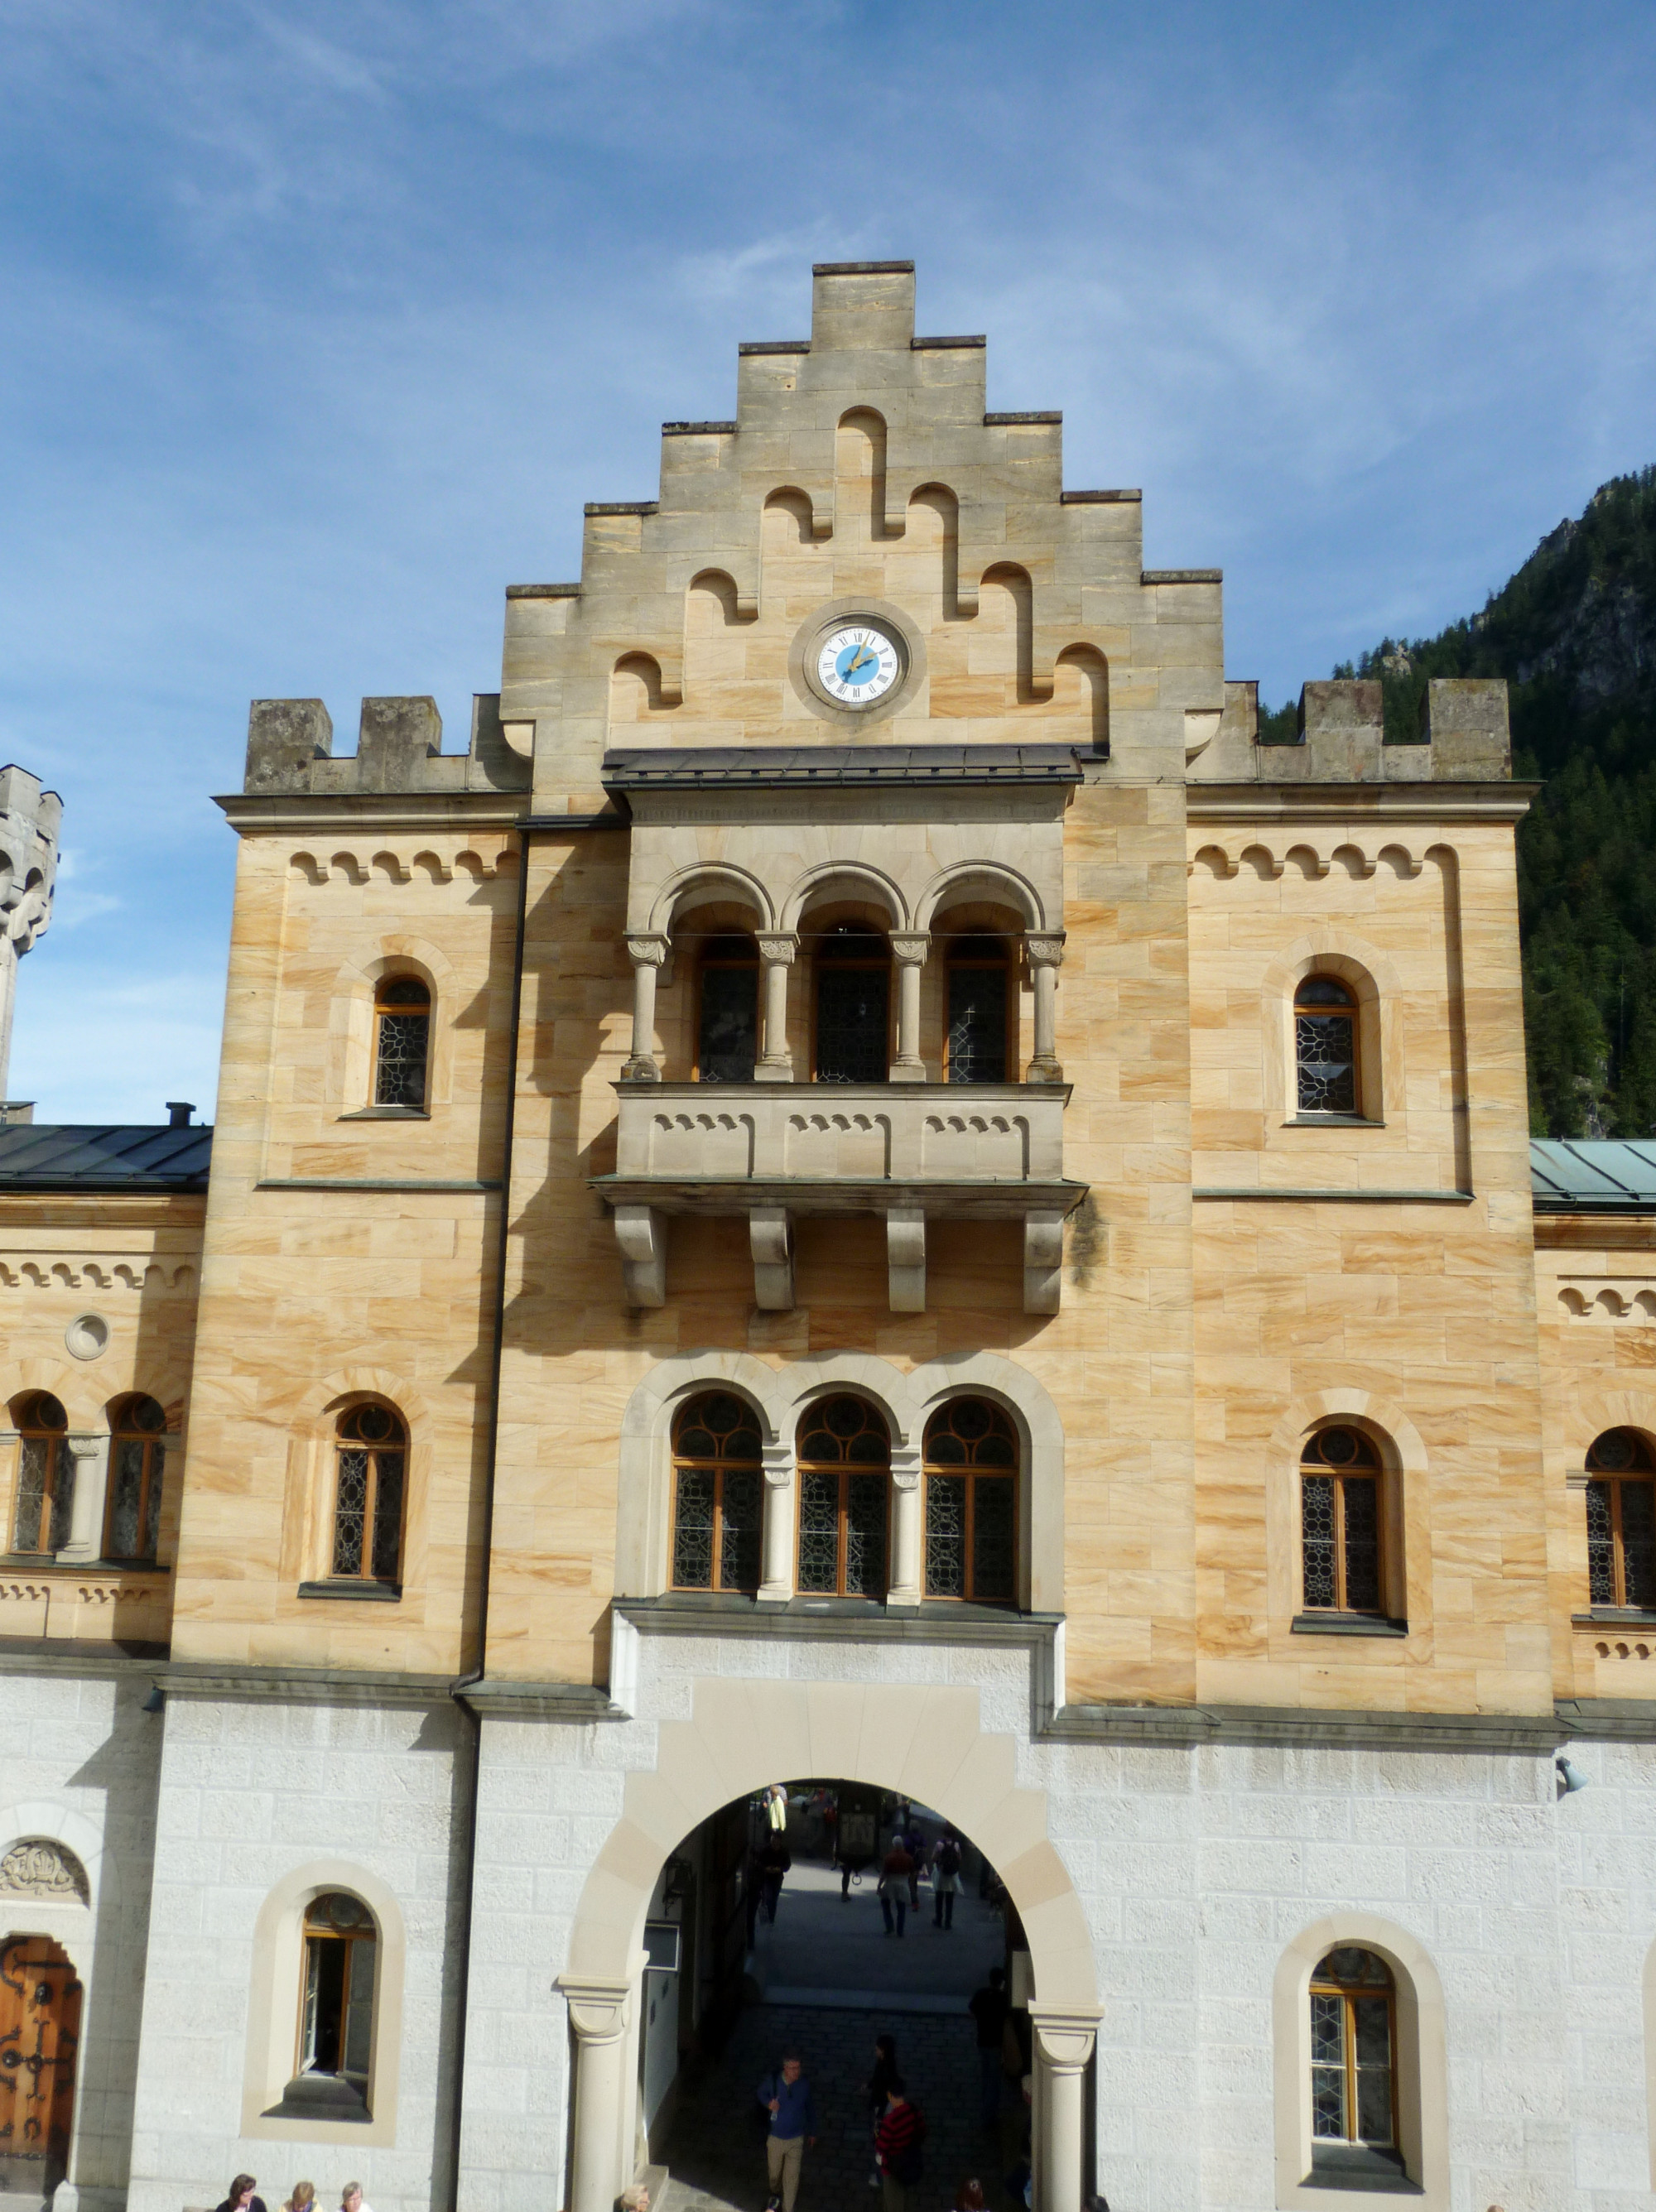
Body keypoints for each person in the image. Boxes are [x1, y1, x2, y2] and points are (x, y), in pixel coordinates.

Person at [756, 2048, 818, 2212]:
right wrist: (769, 2103)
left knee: (792, 2178)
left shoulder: (803, 2085)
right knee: (774, 2175)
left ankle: (787, 2208)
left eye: (798, 2067)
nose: (796, 2071)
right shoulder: (774, 2081)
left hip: (796, 2139)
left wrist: (812, 2131)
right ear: (785, 2068)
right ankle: (775, 2193)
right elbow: (761, 2093)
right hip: (776, 2137)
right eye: (793, 2068)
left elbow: (810, 2107)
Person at [873, 2077, 926, 2212]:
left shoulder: (890, 2121)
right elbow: (922, 2132)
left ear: (890, 2095)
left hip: (892, 2167)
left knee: (892, 2202)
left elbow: (881, 2147)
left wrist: (877, 2134)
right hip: (910, 2162)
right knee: (904, 2196)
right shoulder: (914, 2111)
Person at [968, 1965, 1009, 2128]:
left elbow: (971, 2012)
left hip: (982, 2041)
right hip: (996, 2044)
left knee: (986, 2077)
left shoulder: (981, 1994)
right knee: (994, 2081)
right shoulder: (1003, 1998)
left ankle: (985, 2105)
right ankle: (989, 2114)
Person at [864, 2032, 900, 2187]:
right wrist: (869, 2085)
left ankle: (880, 2177)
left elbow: (885, 2095)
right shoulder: (886, 2064)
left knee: (881, 2144)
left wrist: (879, 2116)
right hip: (882, 2107)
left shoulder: (886, 2069)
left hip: (883, 2109)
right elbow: (877, 2080)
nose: (875, 2049)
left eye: (878, 2047)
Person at [879, 1832, 913, 1937]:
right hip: (903, 1883)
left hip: (891, 1882)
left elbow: (884, 1873)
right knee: (901, 1907)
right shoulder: (908, 1858)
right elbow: (912, 1873)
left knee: (885, 1903)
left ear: (894, 1844)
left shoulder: (889, 1857)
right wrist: (911, 1886)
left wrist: (879, 1886)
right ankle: (900, 1930)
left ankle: (890, 1927)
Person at [932, 1829, 961, 1930]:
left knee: (939, 1898)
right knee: (950, 1900)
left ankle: (938, 1919)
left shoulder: (940, 1844)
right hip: (952, 1875)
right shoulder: (956, 1845)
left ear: (944, 1833)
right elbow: (959, 1859)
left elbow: (934, 1858)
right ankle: (948, 1922)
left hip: (942, 1873)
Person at [759, 1830, 791, 1923]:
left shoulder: (784, 1851)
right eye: (772, 1838)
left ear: (779, 1840)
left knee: (774, 1899)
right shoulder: (766, 1850)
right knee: (768, 1897)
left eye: (775, 1839)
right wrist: (765, 1868)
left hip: (777, 1878)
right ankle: (767, 1917)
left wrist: (780, 1869)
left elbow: (787, 1865)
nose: (773, 1841)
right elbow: (760, 1862)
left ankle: (771, 1918)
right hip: (766, 1878)